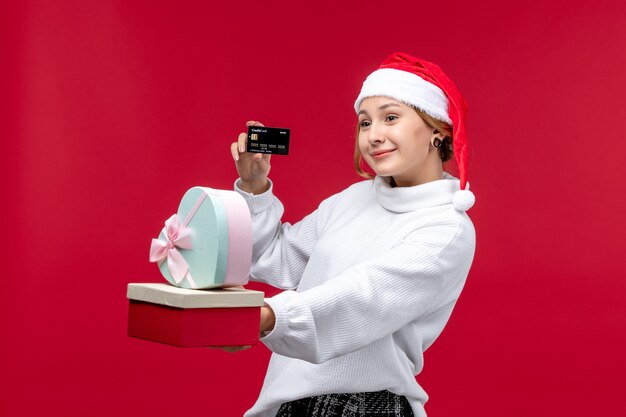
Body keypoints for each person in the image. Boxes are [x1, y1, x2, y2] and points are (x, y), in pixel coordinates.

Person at [229, 52, 476, 417]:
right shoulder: (352, 199)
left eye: (390, 117)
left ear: (437, 131)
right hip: (288, 402)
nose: (373, 135)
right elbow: (276, 259)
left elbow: (363, 296)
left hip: (365, 406)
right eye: (364, 123)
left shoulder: (446, 227)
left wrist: (264, 316)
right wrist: (255, 188)